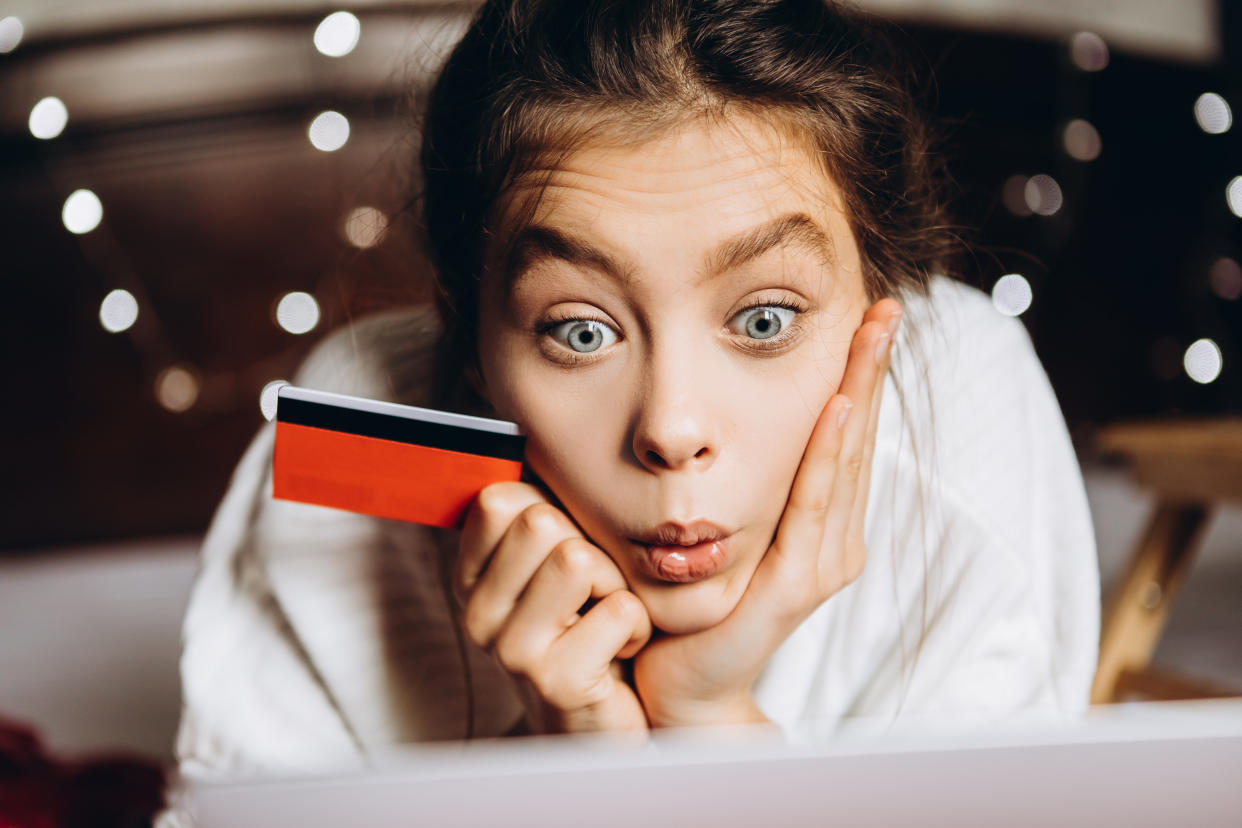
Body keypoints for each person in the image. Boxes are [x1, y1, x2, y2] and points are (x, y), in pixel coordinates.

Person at [172, 0, 1099, 774]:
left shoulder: (962, 392)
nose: (671, 428)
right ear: (468, 341)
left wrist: (707, 718)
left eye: (765, 320)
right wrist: (565, 754)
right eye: (581, 332)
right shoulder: (362, 431)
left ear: (879, 308)